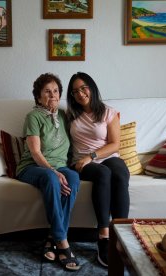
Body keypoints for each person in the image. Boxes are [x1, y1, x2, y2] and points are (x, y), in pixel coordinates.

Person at [16, 73, 81, 271]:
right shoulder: (33, 116)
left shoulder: (63, 115)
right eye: (47, 91)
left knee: (74, 177)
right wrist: (53, 171)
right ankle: (63, 242)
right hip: (32, 167)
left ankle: (52, 238)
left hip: (61, 166)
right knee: (53, 179)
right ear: (38, 96)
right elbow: (35, 152)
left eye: (55, 91)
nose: (52, 95)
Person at [66, 72, 130, 267]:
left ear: (92, 88)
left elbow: (115, 144)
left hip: (104, 156)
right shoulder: (70, 115)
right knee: (103, 173)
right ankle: (103, 236)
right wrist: (84, 160)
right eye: (75, 91)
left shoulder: (108, 112)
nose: (80, 93)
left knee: (119, 171)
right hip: (81, 163)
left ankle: (120, 234)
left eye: (83, 88)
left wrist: (92, 156)